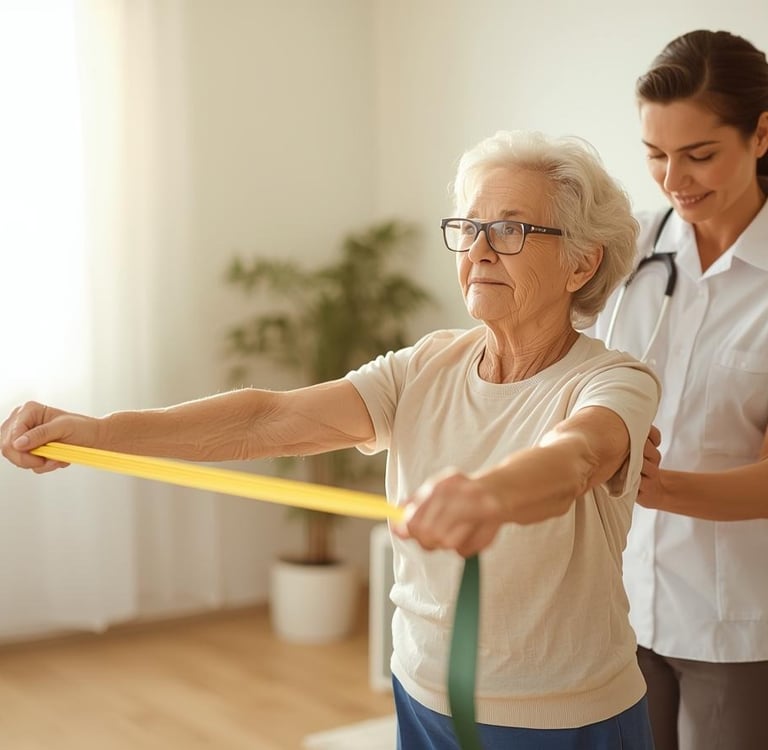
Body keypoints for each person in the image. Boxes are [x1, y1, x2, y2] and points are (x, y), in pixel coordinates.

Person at [1, 130, 660, 750]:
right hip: (423, 690)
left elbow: (575, 456)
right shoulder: (423, 366)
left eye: (510, 229)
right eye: (467, 228)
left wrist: (488, 494)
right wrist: (101, 432)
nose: (480, 249)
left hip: (562, 717)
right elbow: (268, 419)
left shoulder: (612, 381)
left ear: (582, 263)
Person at [592, 29, 768, 750]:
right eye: (656, 155)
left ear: (762, 134)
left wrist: (655, 487)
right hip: (619, 602)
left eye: (699, 155)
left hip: (734, 622)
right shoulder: (629, 249)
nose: (674, 179)